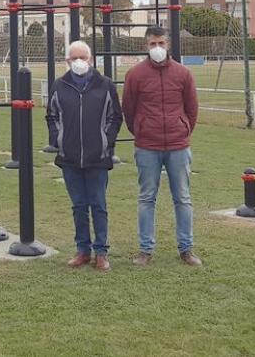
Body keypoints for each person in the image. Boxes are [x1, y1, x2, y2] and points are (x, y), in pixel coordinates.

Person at [121, 25, 202, 267]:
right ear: (146, 46)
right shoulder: (134, 75)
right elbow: (128, 109)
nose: (157, 48)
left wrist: (183, 129)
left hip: (178, 146)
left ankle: (186, 249)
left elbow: (192, 109)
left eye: (161, 43)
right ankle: (145, 250)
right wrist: (142, 130)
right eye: (152, 44)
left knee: (183, 198)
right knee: (147, 198)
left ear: (168, 45)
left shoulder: (183, 74)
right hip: (147, 146)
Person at [46, 40, 122, 270]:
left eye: (83, 57)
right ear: (67, 61)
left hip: (98, 158)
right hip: (69, 158)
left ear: (90, 59)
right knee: (79, 206)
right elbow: (52, 116)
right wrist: (58, 141)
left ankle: (101, 252)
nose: (79, 62)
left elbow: (115, 117)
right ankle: (82, 250)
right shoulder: (59, 85)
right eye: (74, 58)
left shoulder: (105, 84)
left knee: (98, 205)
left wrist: (105, 141)